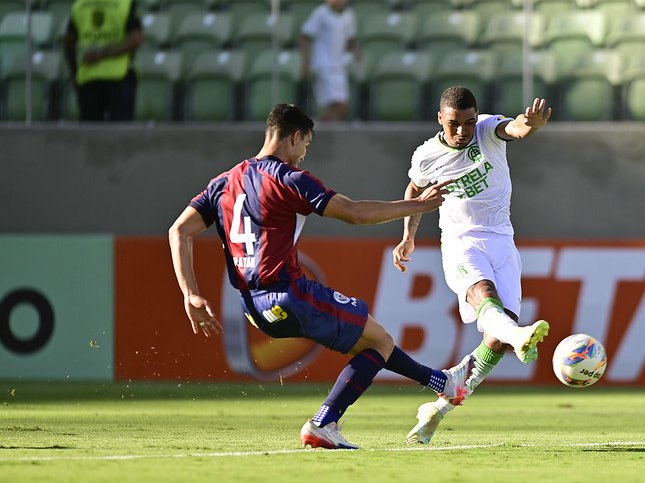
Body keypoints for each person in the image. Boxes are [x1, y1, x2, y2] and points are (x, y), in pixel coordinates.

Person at [168, 103, 473, 450]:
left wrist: (189, 293)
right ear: (295, 137)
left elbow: (179, 231)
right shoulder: (288, 179)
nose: (302, 155)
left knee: (376, 339)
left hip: (254, 309)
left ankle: (441, 382)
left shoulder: (223, 182)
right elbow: (355, 213)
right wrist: (419, 205)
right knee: (379, 341)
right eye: (306, 146)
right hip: (289, 293)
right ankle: (324, 423)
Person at [392, 86, 552, 444]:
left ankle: (437, 409)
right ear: (440, 119)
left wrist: (531, 125)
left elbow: (514, 128)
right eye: (454, 124)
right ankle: (519, 333)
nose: (463, 131)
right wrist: (409, 236)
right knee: (484, 295)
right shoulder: (427, 156)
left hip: (502, 240)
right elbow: (414, 190)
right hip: (461, 241)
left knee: (495, 340)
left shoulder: (486, 129)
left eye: (468, 122)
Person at [64, 0, 142, 122]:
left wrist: (74, 73)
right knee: (121, 136)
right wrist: (103, 54)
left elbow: (69, 41)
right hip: (119, 77)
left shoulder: (81, 3)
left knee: (89, 137)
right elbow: (135, 40)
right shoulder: (125, 1)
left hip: (88, 77)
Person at [298, 0, 359, 122]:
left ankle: (312, 128)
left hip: (339, 67)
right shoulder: (321, 14)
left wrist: (356, 52)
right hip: (323, 67)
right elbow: (305, 37)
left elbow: (350, 39)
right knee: (338, 106)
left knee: (339, 110)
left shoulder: (349, 15)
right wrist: (305, 64)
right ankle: (312, 130)